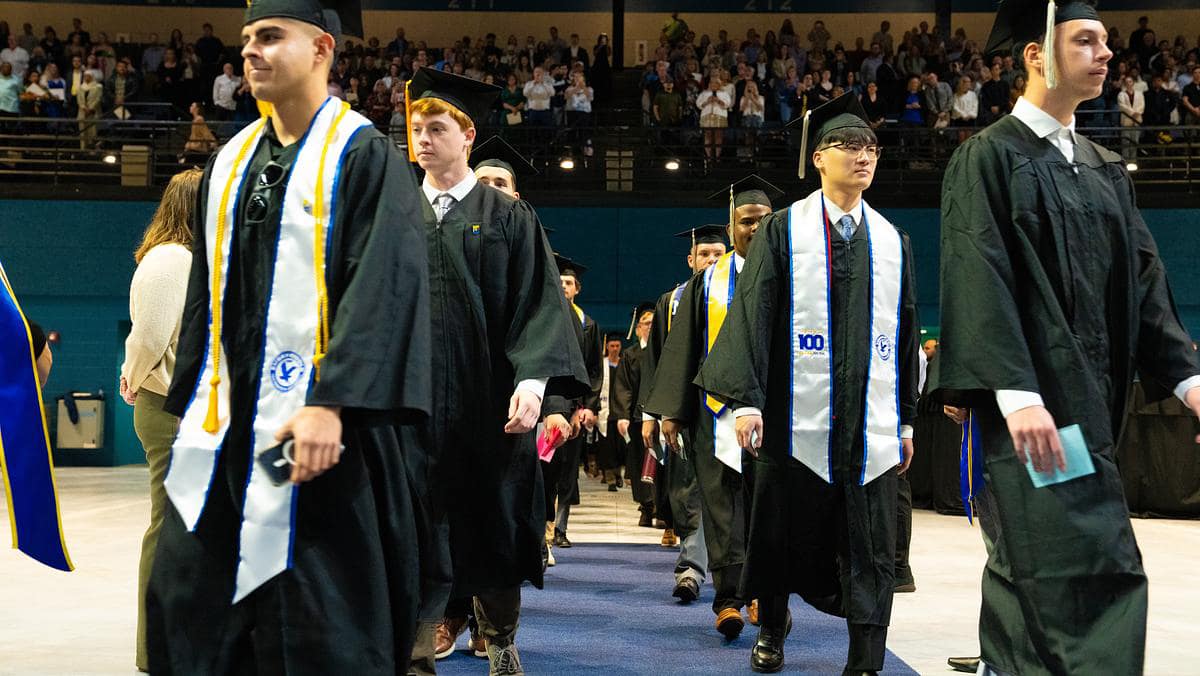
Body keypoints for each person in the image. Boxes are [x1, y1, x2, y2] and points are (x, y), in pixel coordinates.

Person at [146, 0, 433, 672]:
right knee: (192, 606)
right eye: (247, 39)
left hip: (321, 440)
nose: (250, 51)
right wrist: (191, 405)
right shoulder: (229, 162)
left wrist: (332, 402)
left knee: (316, 621)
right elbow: (205, 303)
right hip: (223, 441)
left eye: (270, 37)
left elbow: (384, 285)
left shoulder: (363, 157)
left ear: (322, 49)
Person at [933, 2, 1200, 674]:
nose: (1107, 53)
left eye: (1108, 41)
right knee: (1087, 567)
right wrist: (1018, 393)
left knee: (1029, 569)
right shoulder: (989, 158)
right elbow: (978, 270)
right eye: (1085, 40)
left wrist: (1191, 382)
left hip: (1090, 411)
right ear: (1035, 55)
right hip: (1041, 420)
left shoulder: (1103, 166)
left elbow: (1144, 284)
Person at [696, 93, 919, 674]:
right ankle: (771, 630)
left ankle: (865, 658)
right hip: (793, 420)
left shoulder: (894, 241)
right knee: (780, 534)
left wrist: (904, 418)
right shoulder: (781, 231)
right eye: (849, 146)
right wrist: (744, 402)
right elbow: (752, 311)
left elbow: (905, 331)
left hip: (868, 429)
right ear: (818, 157)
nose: (863, 156)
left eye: (870, 147)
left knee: (871, 547)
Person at [404, 67, 590, 676]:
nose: (423, 140)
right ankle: (416, 645)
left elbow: (537, 305)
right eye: (415, 129)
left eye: (436, 128)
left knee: (495, 520)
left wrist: (534, 383)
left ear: (467, 136)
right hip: (416, 407)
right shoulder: (398, 213)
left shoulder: (507, 216)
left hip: (492, 409)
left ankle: (501, 634)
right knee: (414, 525)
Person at [646, 175, 784, 641]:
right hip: (714, 414)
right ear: (731, 229)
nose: (756, 227)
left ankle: (764, 593)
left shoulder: (790, 276)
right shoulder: (706, 283)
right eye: (746, 221)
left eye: (764, 219)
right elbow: (683, 350)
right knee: (721, 507)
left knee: (767, 505)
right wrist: (672, 412)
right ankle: (728, 600)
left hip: (774, 411)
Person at [120, 167, 201, 674]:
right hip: (168, 407)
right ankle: (156, 649)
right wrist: (130, 375)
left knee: (185, 528)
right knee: (168, 528)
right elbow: (150, 336)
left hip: (184, 407)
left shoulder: (190, 258)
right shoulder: (171, 259)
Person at [613, 302, 660, 526]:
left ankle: (661, 507)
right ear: (638, 327)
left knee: (661, 464)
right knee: (639, 462)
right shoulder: (631, 354)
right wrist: (622, 414)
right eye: (645, 323)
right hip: (637, 419)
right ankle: (646, 505)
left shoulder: (664, 351)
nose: (649, 327)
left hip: (661, 417)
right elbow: (623, 387)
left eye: (653, 323)